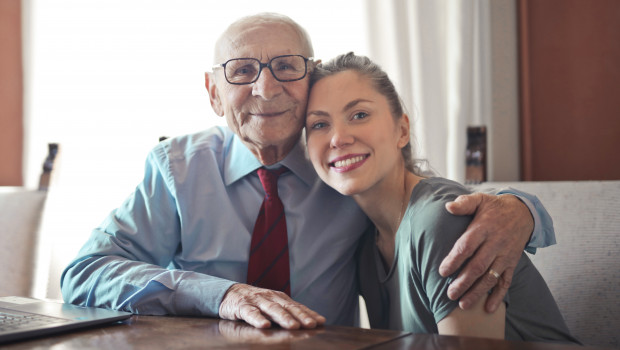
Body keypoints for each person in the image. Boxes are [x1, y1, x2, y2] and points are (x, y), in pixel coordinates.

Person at [61, 13, 556, 330]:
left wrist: (521, 209)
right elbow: (83, 273)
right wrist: (222, 295)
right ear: (214, 94)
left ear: (309, 81)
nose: (265, 87)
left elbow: (429, 203)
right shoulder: (176, 170)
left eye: (286, 66)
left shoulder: (343, 168)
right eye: (240, 71)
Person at [304, 52, 579, 343]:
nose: (338, 138)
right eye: (319, 125)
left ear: (402, 130)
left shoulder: (442, 220)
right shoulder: (365, 245)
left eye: (359, 115)